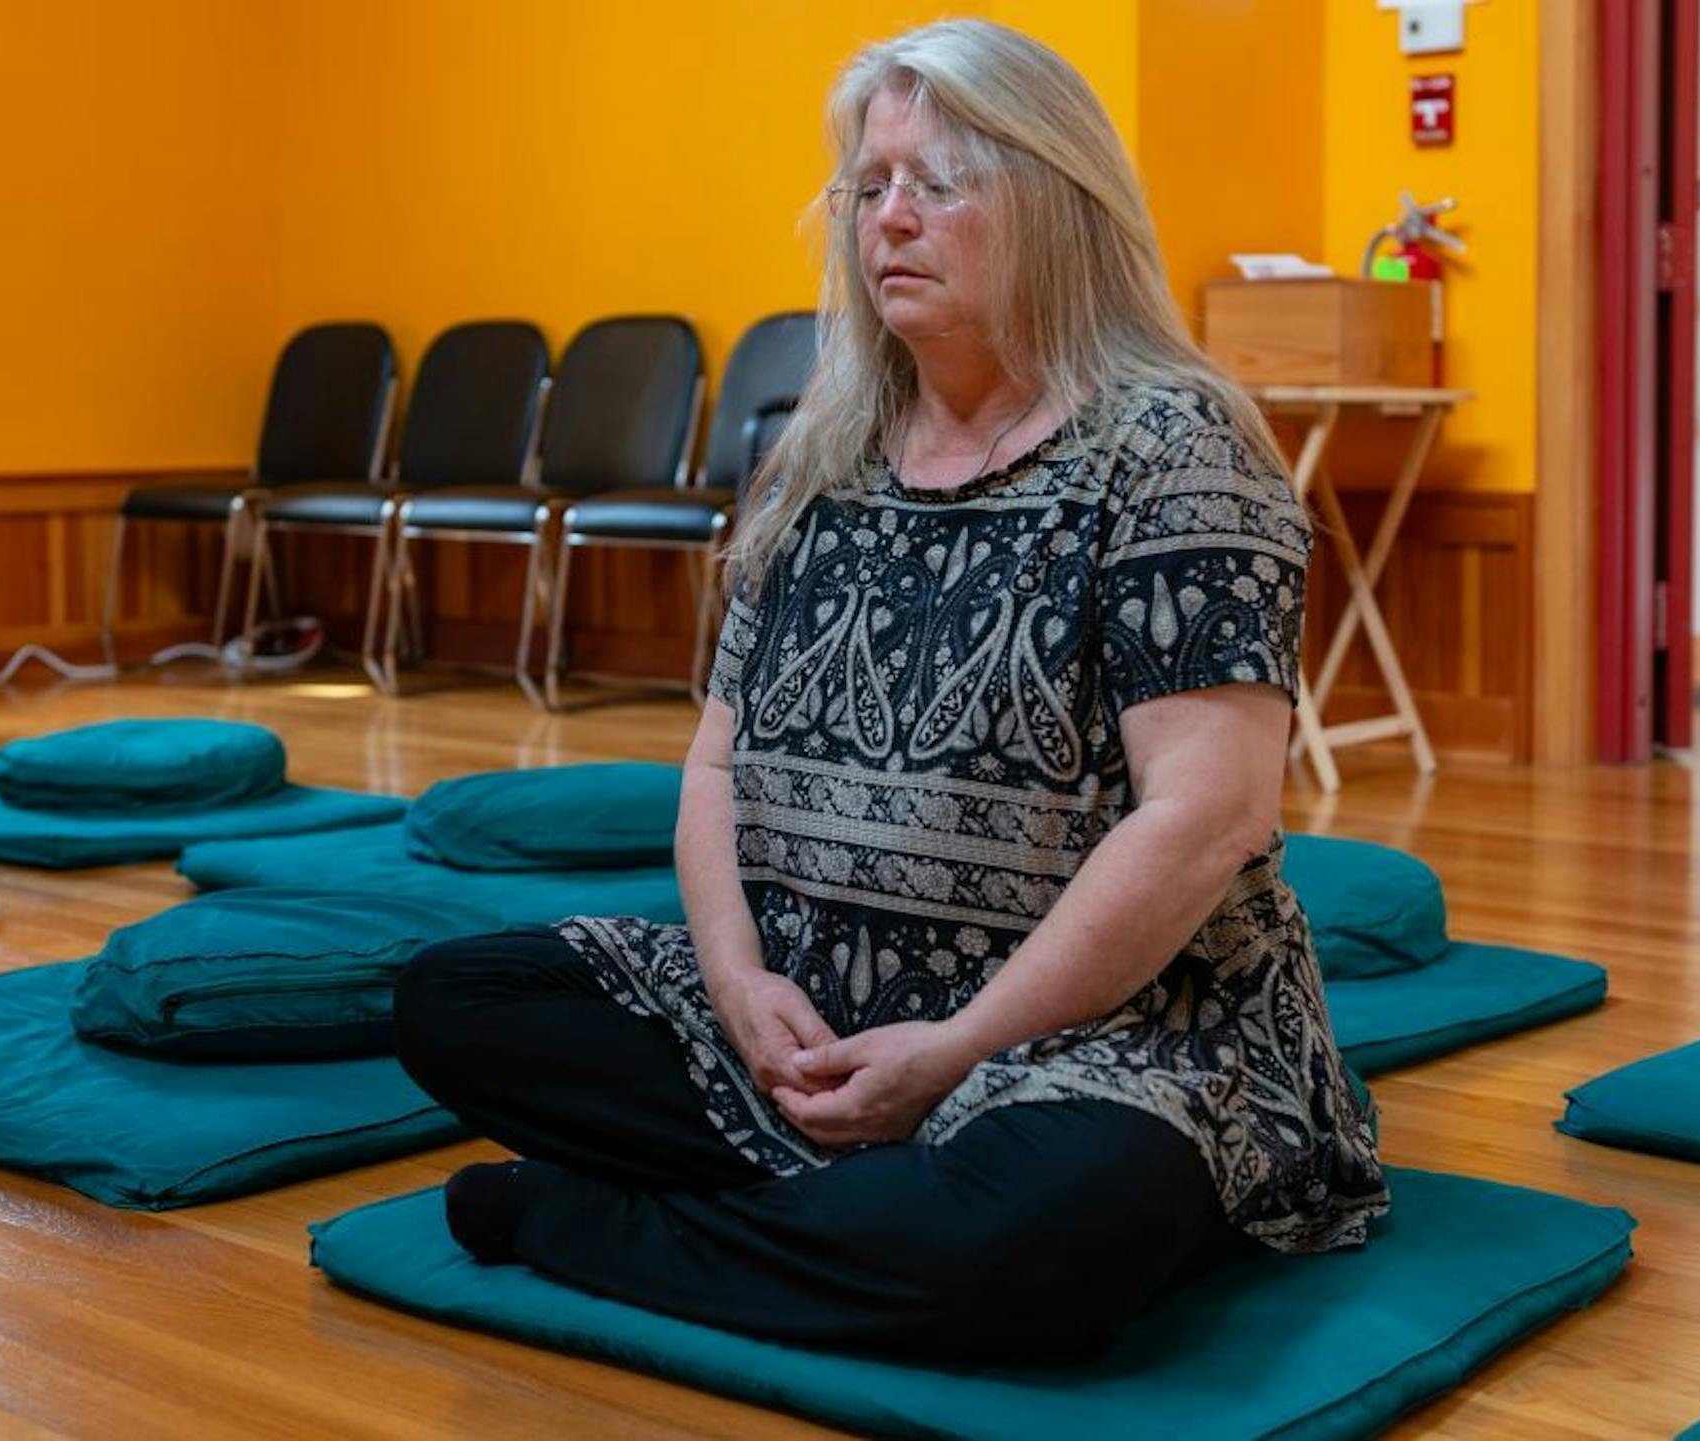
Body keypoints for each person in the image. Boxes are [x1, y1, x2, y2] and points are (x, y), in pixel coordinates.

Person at [395, 17, 1386, 1365]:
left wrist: (955, 1048)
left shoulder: (1174, 446)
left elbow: (1203, 821)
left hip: (1101, 1038)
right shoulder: (824, 449)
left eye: (939, 184)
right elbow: (712, 765)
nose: (890, 220)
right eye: (870, 189)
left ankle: (591, 1226)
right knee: (454, 1002)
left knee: (1026, 1241)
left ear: (1052, 199)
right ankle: (854, 1203)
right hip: (808, 1004)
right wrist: (741, 989)